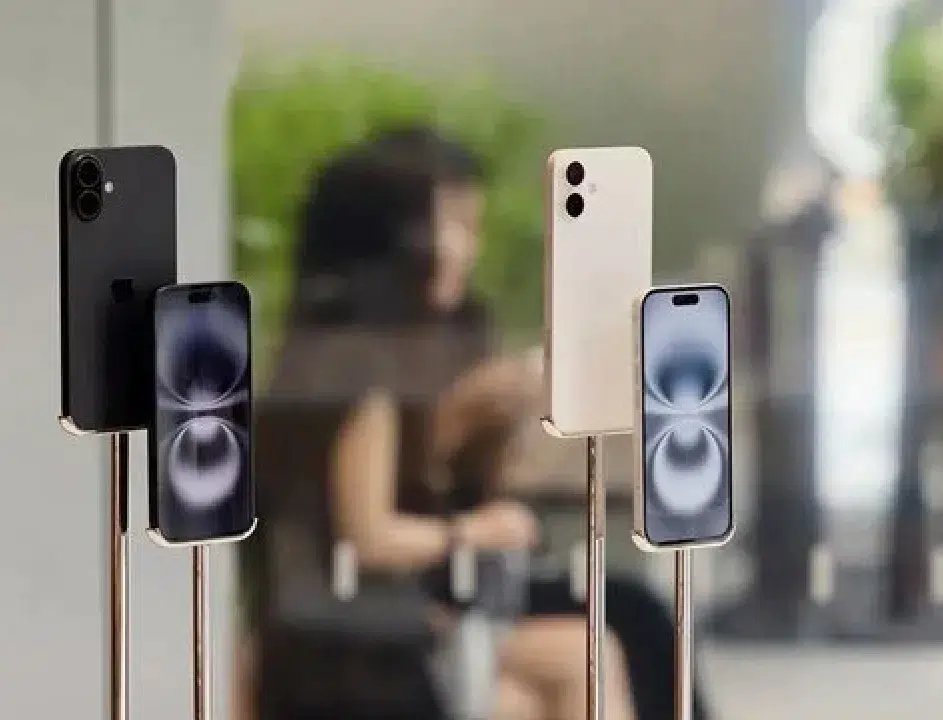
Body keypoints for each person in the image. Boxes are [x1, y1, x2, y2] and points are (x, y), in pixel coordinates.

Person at [257, 127, 707, 720]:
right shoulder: (357, 369)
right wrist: (476, 524)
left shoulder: (427, 343)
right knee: (587, 655)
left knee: (634, 614)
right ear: (396, 239)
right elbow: (366, 532)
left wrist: (479, 424)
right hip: (366, 631)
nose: (468, 249)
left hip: (419, 601)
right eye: (455, 227)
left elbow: (431, 475)